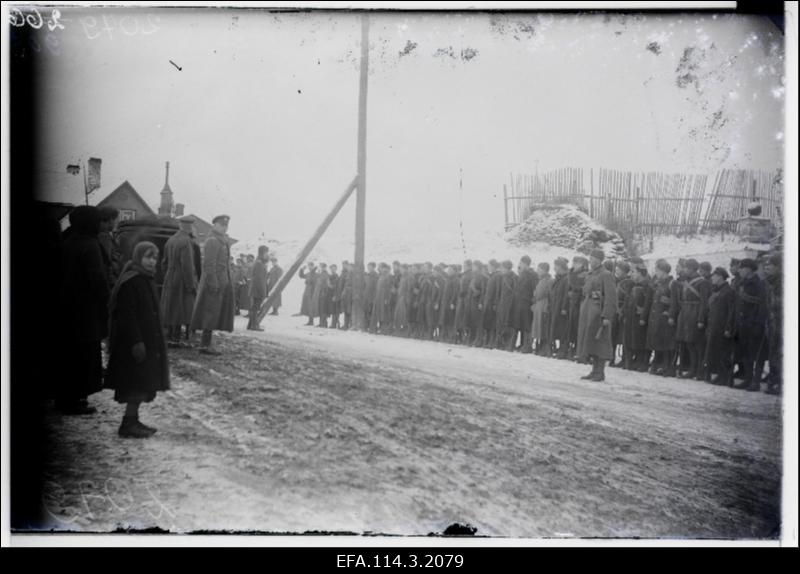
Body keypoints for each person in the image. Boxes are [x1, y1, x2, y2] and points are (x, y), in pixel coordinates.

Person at [105, 241, 170, 438]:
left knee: (141, 383)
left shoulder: (145, 279)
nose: (152, 262)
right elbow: (127, 315)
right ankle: (128, 424)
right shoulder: (131, 281)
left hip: (146, 341)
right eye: (148, 257)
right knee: (135, 384)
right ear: (138, 257)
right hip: (134, 344)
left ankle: (132, 420)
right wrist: (136, 342)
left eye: (154, 258)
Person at [57, 206, 109, 415]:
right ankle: (74, 400)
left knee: (68, 354)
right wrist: (107, 301)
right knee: (83, 356)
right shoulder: (91, 245)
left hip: (66, 308)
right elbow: (97, 279)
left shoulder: (68, 242)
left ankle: (64, 397)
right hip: (86, 311)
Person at [190, 215, 235, 355]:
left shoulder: (222, 241)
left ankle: (207, 343)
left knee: (214, 313)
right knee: (210, 313)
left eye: (226, 226)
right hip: (213, 282)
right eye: (221, 225)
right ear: (214, 225)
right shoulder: (212, 241)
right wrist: (214, 282)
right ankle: (204, 345)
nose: (224, 228)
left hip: (221, 282)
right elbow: (209, 264)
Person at [576, 249, 617, 382]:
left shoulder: (606, 275)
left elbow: (611, 297)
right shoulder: (590, 274)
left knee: (600, 342)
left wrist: (607, 316)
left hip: (598, 313)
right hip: (588, 311)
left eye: (594, 258)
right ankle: (594, 371)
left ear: (600, 260)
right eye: (590, 258)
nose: (591, 261)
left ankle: (600, 372)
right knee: (591, 342)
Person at [161, 216, 198, 346]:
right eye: (193, 226)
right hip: (181, 278)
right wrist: (190, 285)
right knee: (179, 307)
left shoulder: (170, 240)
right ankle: (175, 337)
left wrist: (169, 273)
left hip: (169, 276)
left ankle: (169, 334)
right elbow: (187, 266)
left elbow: (164, 263)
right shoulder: (186, 241)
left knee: (170, 306)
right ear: (189, 227)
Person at [733, 258, 767, 391]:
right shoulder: (743, 283)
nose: (739, 270)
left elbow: (762, 305)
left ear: (749, 269)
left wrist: (759, 324)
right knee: (746, 352)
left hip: (754, 323)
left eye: (742, 268)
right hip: (743, 322)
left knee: (757, 354)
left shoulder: (759, 284)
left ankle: (756, 382)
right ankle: (748, 379)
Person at [675, 259, 711, 380]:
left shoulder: (703, 283)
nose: (684, 270)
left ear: (691, 269)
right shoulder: (686, 281)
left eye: (685, 268)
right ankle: (692, 369)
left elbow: (704, 302)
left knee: (698, 345)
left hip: (695, 314)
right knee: (689, 343)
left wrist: (701, 319)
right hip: (686, 313)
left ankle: (699, 371)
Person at [646, 259, 680, 376]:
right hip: (657, 317)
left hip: (665, 318)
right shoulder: (659, 283)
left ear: (663, 271)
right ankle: (659, 364)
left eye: (657, 270)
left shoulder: (672, 283)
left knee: (666, 343)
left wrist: (671, 315)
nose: (656, 272)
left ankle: (668, 366)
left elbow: (675, 302)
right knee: (658, 341)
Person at [704, 267, 736, 386]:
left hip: (722, 326)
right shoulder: (717, 290)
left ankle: (726, 377)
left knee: (723, 352)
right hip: (714, 325)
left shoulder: (728, 291)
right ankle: (720, 375)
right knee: (716, 351)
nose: (712, 278)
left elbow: (731, 311)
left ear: (720, 277)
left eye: (714, 276)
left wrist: (728, 327)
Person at [622, 262, 652, 371]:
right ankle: (630, 361)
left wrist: (643, 316)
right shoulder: (632, 285)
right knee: (630, 339)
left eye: (634, 272)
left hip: (639, 318)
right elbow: (628, 299)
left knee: (639, 340)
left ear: (640, 273)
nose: (631, 274)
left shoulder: (648, 286)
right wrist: (624, 312)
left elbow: (648, 303)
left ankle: (641, 361)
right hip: (630, 316)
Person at [763, 254, 782, 394]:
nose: (767, 268)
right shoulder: (770, 282)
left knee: (781, 353)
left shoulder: (782, 282)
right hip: (772, 322)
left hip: (782, 323)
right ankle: (774, 381)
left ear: (778, 267)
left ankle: (780, 384)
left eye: (770, 266)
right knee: (773, 353)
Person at [511, 256, 537, 353]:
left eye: (521, 263)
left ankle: (527, 345)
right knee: (519, 323)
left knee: (527, 324)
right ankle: (522, 344)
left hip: (527, 302)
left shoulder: (532, 275)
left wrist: (533, 302)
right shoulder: (522, 274)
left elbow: (534, 289)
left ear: (526, 264)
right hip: (519, 302)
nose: (520, 265)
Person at [610, 261, 634, 368]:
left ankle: (625, 359)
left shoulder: (628, 283)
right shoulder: (616, 281)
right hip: (615, 310)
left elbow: (627, 298)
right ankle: (611, 358)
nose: (616, 272)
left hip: (622, 311)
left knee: (624, 337)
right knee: (613, 335)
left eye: (619, 270)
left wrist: (621, 310)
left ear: (624, 271)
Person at [548, 257, 571, 359]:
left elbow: (566, 294)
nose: (554, 268)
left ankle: (563, 350)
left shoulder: (566, 279)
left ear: (561, 267)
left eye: (556, 266)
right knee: (556, 329)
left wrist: (564, 308)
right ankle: (556, 349)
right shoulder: (559, 279)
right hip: (555, 307)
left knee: (562, 330)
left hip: (561, 309)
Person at [567, 256, 588, 361]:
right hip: (572, 303)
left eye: (576, 263)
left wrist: (574, 290)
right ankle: (572, 348)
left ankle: (578, 350)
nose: (574, 264)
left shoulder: (585, 275)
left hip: (580, 303)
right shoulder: (572, 274)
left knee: (578, 327)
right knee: (572, 327)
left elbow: (582, 288)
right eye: (573, 262)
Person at [531, 262, 553, 356]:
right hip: (539, 305)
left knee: (542, 327)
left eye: (539, 269)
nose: (537, 271)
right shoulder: (541, 280)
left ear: (544, 270)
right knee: (538, 327)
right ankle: (539, 345)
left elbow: (548, 293)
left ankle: (544, 347)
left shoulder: (549, 280)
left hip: (544, 305)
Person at [97, 206, 122, 289]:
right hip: (110, 281)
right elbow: (107, 261)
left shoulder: (103, 234)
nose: (116, 223)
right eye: (116, 220)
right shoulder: (104, 236)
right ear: (111, 220)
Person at [495, 260, 517, 351]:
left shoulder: (514, 278)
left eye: (502, 268)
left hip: (510, 304)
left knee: (508, 323)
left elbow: (515, 292)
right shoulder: (502, 277)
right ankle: (501, 343)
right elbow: (499, 291)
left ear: (507, 268)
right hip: (502, 304)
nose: (501, 270)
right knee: (501, 323)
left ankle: (508, 343)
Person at [247, 246, 269, 331]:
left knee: (254, 308)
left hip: (256, 289)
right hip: (257, 289)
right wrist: (263, 292)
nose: (267, 254)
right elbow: (259, 279)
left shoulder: (259, 262)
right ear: (262, 253)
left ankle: (250, 325)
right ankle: (254, 326)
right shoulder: (259, 264)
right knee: (255, 308)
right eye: (266, 252)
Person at [482, 260, 502, 348]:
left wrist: (495, 303)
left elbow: (498, 290)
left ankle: (492, 342)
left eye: (489, 266)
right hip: (488, 302)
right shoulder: (492, 276)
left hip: (492, 303)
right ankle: (487, 341)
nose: (488, 267)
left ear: (493, 266)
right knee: (487, 322)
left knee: (492, 323)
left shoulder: (497, 276)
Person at [468, 261, 488, 346]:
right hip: (472, 301)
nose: (472, 268)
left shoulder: (482, 277)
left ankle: (479, 339)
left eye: (473, 266)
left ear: (477, 267)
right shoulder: (474, 276)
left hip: (477, 302)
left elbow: (483, 291)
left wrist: (481, 302)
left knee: (479, 322)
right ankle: (473, 339)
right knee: (473, 321)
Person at [370, 263, 394, 334]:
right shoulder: (381, 276)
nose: (381, 269)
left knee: (384, 314)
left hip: (384, 298)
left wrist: (387, 299)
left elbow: (389, 289)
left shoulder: (388, 277)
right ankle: (377, 328)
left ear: (385, 268)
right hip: (378, 298)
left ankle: (384, 329)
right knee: (378, 313)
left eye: (382, 268)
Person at [454, 260, 474, 345]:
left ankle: (464, 337)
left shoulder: (470, 274)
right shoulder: (464, 275)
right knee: (459, 318)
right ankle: (460, 336)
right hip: (461, 298)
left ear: (469, 266)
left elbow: (469, 286)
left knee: (464, 318)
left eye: (465, 265)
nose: (464, 267)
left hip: (466, 298)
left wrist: (464, 292)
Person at [439, 265, 459, 343]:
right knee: (445, 320)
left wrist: (452, 302)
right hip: (446, 303)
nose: (449, 271)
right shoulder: (448, 279)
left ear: (454, 271)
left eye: (450, 270)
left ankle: (452, 338)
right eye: (448, 270)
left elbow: (455, 292)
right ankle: (446, 336)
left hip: (450, 303)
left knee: (451, 321)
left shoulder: (456, 280)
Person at [312, 263, 331, 328]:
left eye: (323, 267)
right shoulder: (320, 274)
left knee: (323, 309)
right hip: (320, 294)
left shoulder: (327, 275)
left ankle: (324, 323)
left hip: (324, 294)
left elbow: (328, 285)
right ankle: (321, 323)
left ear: (325, 267)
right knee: (320, 309)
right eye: (321, 267)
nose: (322, 268)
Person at [364, 262, 379, 329]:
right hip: (366, 296)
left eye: (370, 267)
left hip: (372, 296)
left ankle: (372, 326)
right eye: (368, 267)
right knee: (366, 311)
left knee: (371, 312)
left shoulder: (375, 275)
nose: (368, 268)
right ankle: (367, 325)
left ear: (373, 267)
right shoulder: (368, 275)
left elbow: (376, 287)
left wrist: (374, 298)